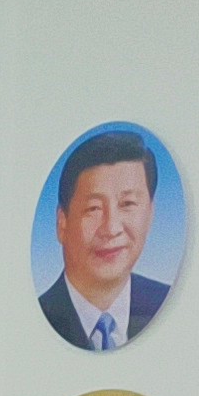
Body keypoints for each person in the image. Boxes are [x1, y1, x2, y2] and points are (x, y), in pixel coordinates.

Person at [37, 128, 170, 352]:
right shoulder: (36, 319)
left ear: (150, 214)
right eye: (93, 208)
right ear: (62, 223)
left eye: (127, 204)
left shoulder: (169, 304)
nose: (111, 229)